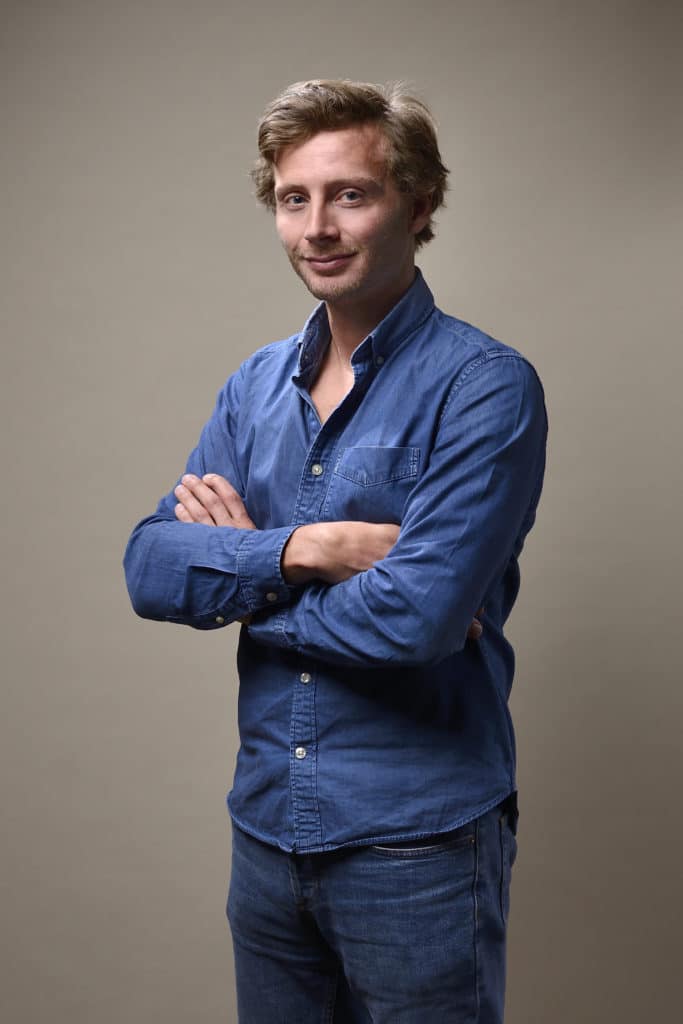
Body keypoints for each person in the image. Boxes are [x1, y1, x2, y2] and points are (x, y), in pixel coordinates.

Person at [124, 79, 547, 1023]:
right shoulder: (253, 386)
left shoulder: (484, 387)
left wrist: (240, 575)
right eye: (293, 199)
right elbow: (148, 568)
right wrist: (307, 549)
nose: (316, 227)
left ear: (419, 205)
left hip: (418, 844)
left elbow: (412, 625)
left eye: (350, 194)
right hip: (265, 832)